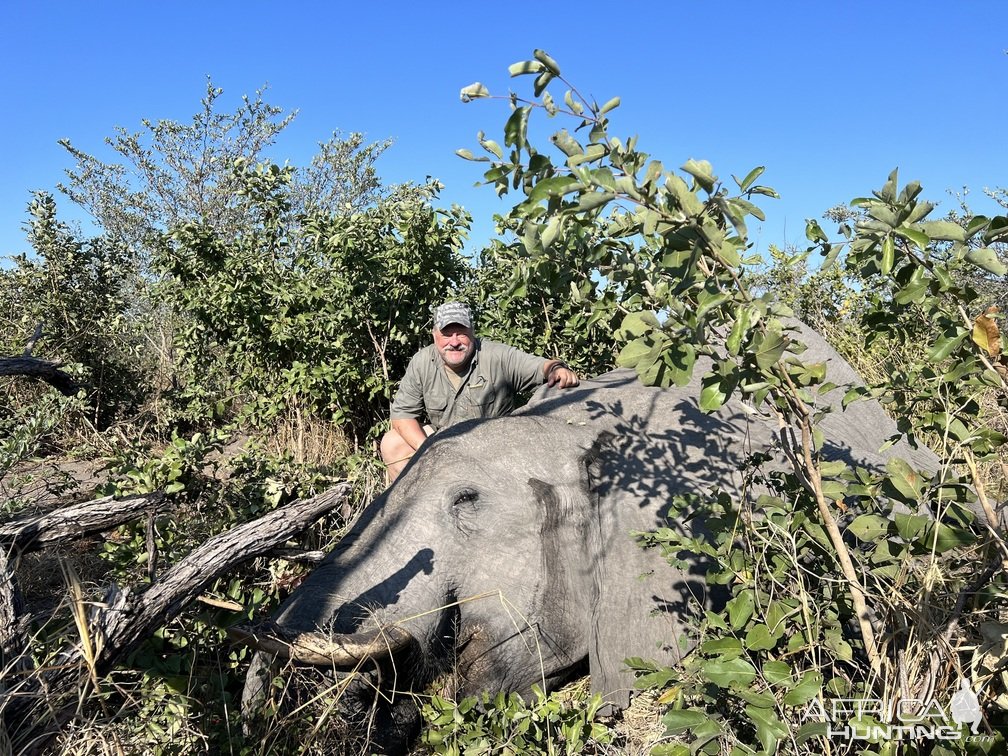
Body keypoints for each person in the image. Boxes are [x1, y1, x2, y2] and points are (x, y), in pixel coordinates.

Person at [380, 301, 580, 481]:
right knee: (392, 443)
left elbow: (542, 367)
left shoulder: (496, 355)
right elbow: (402, 417)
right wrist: (431, 451)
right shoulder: (422, 362)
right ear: (434, 335)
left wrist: (557, 369)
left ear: (472, 332)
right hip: (444, 446)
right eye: (447, 334)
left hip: (495, 447)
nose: (455, 341)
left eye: (461, 333)